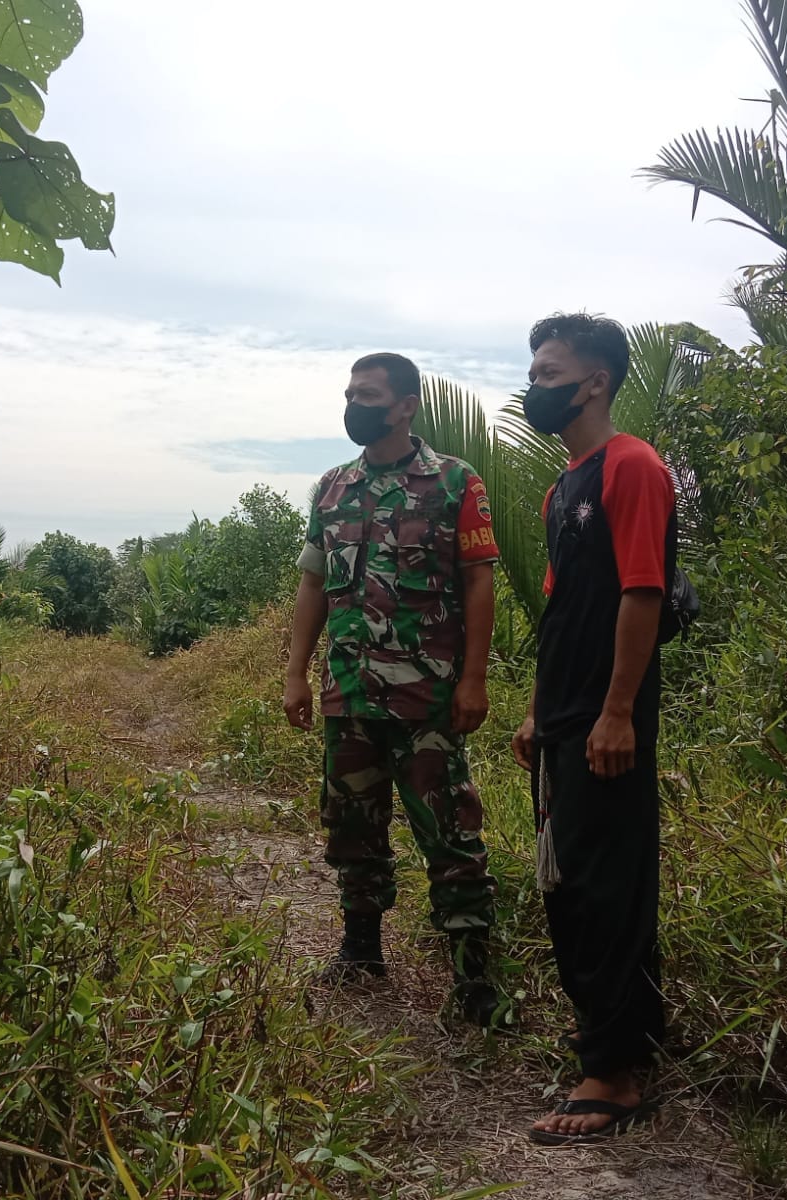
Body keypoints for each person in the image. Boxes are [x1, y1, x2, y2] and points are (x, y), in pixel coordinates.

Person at [283, 351, 506, 1027]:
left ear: (406, 405)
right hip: (348, 692)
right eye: (350, 393)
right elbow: (314, 582)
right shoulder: (333, 487)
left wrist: (473, 680)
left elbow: (479, 582)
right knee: (352, 827)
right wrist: (296, 670)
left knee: (450, 833)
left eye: (369, 395)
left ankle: (473, 979)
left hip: (426, 698)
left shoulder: (454, 483)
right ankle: (361, 950)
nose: (355, 405)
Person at [510, 313, 675, 1144]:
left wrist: (616, 713)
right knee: (571, 885)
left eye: (548, 373)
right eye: (534, 373)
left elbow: (642, 592)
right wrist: (538, 712)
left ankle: (613, 1075)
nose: (534, 387)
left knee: (607, 889)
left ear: (596, 382)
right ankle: (622, 1042)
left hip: (608, 720)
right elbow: (562, 610)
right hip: (565, 718)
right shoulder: (561, 487)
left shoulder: (632, 465)